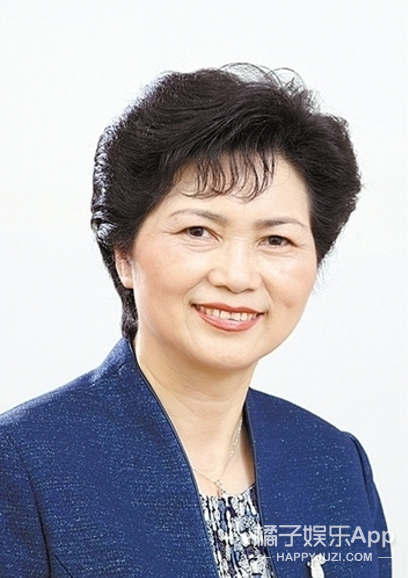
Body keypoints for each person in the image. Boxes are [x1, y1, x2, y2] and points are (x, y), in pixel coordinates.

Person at [0, 64, 391, 578]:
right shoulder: (24, 464)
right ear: (124, 254)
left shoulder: (335, 464)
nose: (237, 276)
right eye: (199, 232)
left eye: (276, 240)